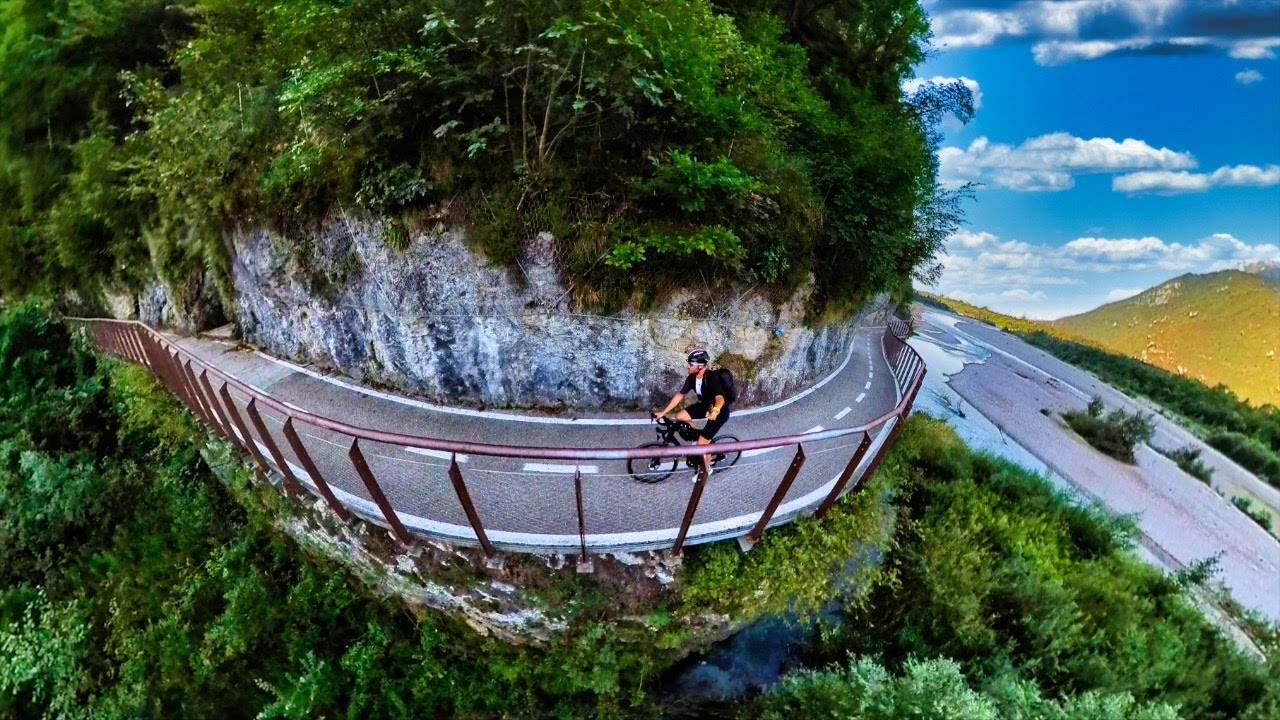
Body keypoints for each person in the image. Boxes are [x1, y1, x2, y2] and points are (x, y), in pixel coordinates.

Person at [655, 348, 731, 477]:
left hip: (719, 411)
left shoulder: (711, 377)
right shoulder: (692, 378)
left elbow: (720, 398)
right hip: (705, 406)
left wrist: (715, 411)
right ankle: (701, 436)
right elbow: (680, 395)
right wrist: (663, 412)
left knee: (702, 444)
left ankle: (706, 470)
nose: (688, 367)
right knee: (680, 416)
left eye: (691, 364)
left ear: (700, 366)